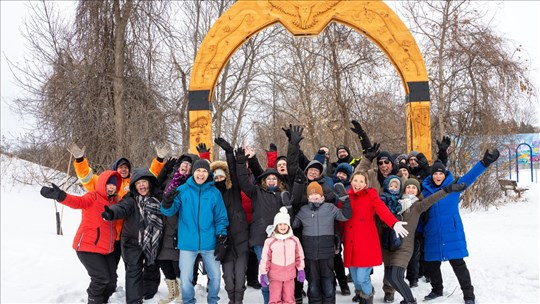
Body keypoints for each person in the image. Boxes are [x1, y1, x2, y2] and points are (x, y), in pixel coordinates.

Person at [66, 142, 167, 292]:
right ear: (115, 169)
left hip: (128, 235)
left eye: (126, 167)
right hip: (110, 237)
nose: (124, 169)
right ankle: (107, 290)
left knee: (132, 266)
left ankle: (138, 290)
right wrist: (80, 161)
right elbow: (86, 178)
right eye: (120, 167)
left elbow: (150, 175)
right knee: (108, 270)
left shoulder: (134, 183)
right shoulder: (105, 183)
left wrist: (159, 160)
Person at [420, 149, 499, 304]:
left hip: (452, 233)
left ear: (445, 174)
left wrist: (485, 162)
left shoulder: (453, 188)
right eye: (435, 174)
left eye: (441, 173)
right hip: (432, 233)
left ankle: (469, 295)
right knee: (431, 264)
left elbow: (470, 177)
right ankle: (437, 289)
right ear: (431, 175)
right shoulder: (425, 192)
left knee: (459, 265)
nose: (438, 176)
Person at [40, 170, 122, 304]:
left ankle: (103, 301)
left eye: (114, 185)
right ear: (102, 184)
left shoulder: (115, 202)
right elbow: (77, 202)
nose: (112, 187)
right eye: (109, 184)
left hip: (107, 249)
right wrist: (61, 196)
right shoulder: (93, 197)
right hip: (88, 247)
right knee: (101, 279)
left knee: (111, 281)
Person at [382, 178, 466, 304]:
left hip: (404, 247)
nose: (410, 190)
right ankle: (407, 300)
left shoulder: (417, 206)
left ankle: (410, 300)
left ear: (417, 191)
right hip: (389, 245)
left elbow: (432, 199)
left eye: (414, 188)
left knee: (396, 276)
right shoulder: (394, 203)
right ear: (404, 189)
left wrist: (447, 190)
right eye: (408, 187)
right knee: (389, 276)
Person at [160, 159, 229, 304]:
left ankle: (213, 300)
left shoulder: (214, 193)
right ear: (193, 172)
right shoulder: (183, 190)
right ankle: (189, 301)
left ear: (208, 173)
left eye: (204, 171)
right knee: (185, 279)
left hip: (209, 243)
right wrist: (166, 202)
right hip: (187, 243)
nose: (201, 174)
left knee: (216, 277)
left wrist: (221, 238)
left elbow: (221, 217)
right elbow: (169, 211)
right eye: (198, 170)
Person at [342, 171, 409, 304]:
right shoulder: (345, 197)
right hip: (350, 243)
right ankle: (360, 292)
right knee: (355, 278)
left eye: (361, 181)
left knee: (362, 278)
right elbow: (340, 218)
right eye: (356, 180)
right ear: (351, 181)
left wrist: (393, 223)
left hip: (366, 243)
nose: (358, 184)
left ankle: (367, 297)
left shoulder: (370, 195)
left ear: (366, 184)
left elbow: (382, 210)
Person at [101, 168, 164, 304]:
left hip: (153, 240)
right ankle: (134, 301)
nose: (141, 185)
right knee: (133, 271)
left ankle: (149, 292)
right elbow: (122, 208)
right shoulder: (130, 199)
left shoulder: (158, 197)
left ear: (149, 183)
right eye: (138, 183)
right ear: (134, 187)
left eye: (144, 182)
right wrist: (111, 213)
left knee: (151, 266)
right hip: (131, 242)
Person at [235, 146, 289, 304]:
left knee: (278, 273)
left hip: (280, 240)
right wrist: (241, 161)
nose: (271, 180)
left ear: (278, 181)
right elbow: (244, 180)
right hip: (260, 240)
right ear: (264, 181)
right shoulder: (256, 192)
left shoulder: (283, 195)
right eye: (268, 178)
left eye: (274, 178)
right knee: (265, 273)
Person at [291, 181, 352, 303]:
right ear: (308, 197)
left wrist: (345, 199)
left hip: (327, 254)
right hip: (310, 254)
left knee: (328, 283)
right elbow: (293, 224)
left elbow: (345, 216)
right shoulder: (303, 210)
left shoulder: (330, 208)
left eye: (317, 194)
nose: (314, 196)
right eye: (311, 194)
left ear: (322, 195)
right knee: (313, 284)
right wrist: (288, 209)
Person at [155, 154, 199, 304]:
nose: (185, 166)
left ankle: (183, 293)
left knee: (177, 261)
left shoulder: (192, 183)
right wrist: (164, 168)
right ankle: (172, 292)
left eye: (189, 165)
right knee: (163, 260)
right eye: (183, 164)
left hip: (181, 226)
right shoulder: (169, 179)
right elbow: (155, 186)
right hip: (164, 224)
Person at [213, 137, 250, 304]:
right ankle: (231, 300)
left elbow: (234, 172)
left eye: (221, 177)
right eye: (216, 178)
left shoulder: (233, 190)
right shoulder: (213, 195)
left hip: (241, 238)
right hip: (224, 241)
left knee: (241, 274)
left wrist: (229, 152)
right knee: (228, 276)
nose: (219, 179)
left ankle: (239, 301)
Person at [260, 207, 306, 304]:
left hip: (290, 276)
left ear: (288, 225)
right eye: (280, 224)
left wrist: (301, 269)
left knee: (289, 299)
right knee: (274, 299)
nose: (282, 226)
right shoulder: (270, 241)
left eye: (285, 224)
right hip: (275, 277)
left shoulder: (294, 240)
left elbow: (299, 256)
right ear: (276, 225)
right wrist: (263, 273)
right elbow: (265, 259)